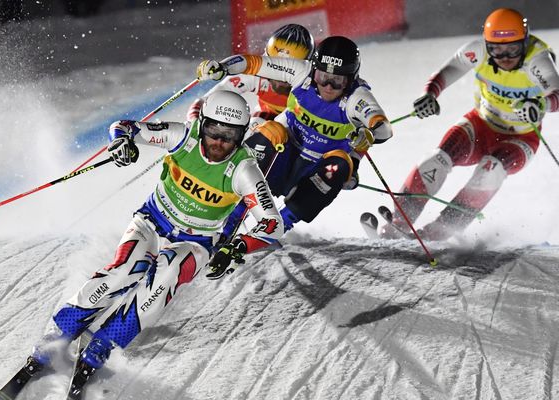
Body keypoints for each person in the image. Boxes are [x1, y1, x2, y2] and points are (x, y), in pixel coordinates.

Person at [21, 91, 284, 391]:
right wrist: (123, 143)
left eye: (230, 135)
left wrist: (238, 247)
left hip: (195, 242)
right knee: (124, 270)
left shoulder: (243, 169)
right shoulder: (183, 137)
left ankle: (103, 345)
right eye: (213, 131)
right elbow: (124, 126)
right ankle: (59, 334)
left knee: (163, 279)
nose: (219, 143)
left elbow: (273, 224)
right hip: (152, 221)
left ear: (242, 134)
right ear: (203, 124)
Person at [380, 8, 559, 241]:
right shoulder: (479, 51)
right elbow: (451, 69)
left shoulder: (537, 58)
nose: (505, 57)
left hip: (520, 138)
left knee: (491, 171)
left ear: (525, 42)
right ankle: (399, 221)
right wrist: (430, 94)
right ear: (487, 45)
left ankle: (441, 230)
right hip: (480, 125)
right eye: (496, 49)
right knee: (437, 160)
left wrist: (541, 105)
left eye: (513, 49)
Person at [197, 36, 393, 236]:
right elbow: (255, 63)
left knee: (340, 165)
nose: (328, 86)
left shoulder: (357, 97)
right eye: (323, 77)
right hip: (284, 154)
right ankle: (232, 219)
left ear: (351, 80)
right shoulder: (302, 71)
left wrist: (368, 133)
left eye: (337, 81)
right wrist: (222, 67)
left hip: (315, 170)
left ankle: (278, 227)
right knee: (269, 130)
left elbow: (384, 127)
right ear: (314, 69)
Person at [187, 23, 315, 130]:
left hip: (306, 124)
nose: (281, 78)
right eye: (276, 69)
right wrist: (194, 124)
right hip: (267, 118)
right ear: (268, 62)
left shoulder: (318, 83)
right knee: (255, 127)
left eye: (289, 72)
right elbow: (206, 101)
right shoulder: (256, 76)